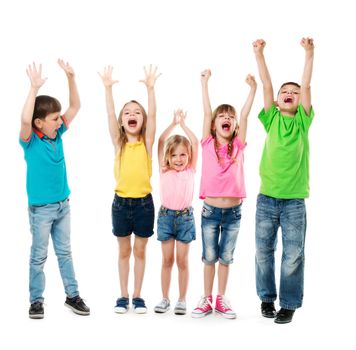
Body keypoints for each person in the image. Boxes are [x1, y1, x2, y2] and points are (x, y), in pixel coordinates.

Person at [19, 60, 90, 319]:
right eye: (54, 118)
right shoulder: (29, 141)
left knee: (65, 252)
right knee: (38, 256)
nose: (60, 121)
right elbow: (25, 118)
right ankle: (36, 301)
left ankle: (72, 296)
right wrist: (33, 88)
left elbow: (76, 106)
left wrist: (71, 77)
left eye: (59, 117)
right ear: (39, 122)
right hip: (41, 210)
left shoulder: (57, 134)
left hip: (63, 205)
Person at [252, 38, 315, 324]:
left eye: (295, 92)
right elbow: (266, 85)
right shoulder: (272, 119)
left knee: (293, 255)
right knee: (264, 251)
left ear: (301, 101)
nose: (290, 93)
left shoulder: (303, 120)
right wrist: (259, 54)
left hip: (293, 203)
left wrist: (309, 54)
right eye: (284, 91)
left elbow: (307, 84)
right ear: (277, 101)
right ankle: (267, 298)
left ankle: (288, 304)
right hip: (266, 198)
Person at [191, 69, 257, 319]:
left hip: (234, 212)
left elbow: (245, 114)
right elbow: (207, 111)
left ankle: (221, 299)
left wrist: (253, 90)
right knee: (209, 256)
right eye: (222, 116)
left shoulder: (238, 145)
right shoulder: (207, 143)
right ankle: (206, 299)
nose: (227, 118)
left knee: (226, 256)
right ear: (214, 124)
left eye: (230, 116)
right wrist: (204, 83)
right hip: (210, 210)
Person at [99, 65, 160, 314]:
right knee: (124, 251)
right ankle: (123, 295)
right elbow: (110, 115)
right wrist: (107, 89)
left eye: (137, 112)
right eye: (127, 113)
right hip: (121, 204)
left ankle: (138, 296)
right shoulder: (118, 143)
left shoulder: (146, 143)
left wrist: (150, 88)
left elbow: (154, 116)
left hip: (144, 204)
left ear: (142, 119)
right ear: (123, 122)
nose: (131, 115)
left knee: (140, 251)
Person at [154, 109, 198, 315]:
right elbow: (161, 140)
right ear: (168, 157)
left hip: (185, 218)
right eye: (174, 155)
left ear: (189, 157)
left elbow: (195, 143)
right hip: (165, 217)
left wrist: (184, 125)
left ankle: (182, 299)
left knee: (182, 261)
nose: (179, 159)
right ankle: (164, 298)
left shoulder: (190, 170)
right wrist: (173, 123)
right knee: (167, 260)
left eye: (183, 155)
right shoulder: (164, 170)